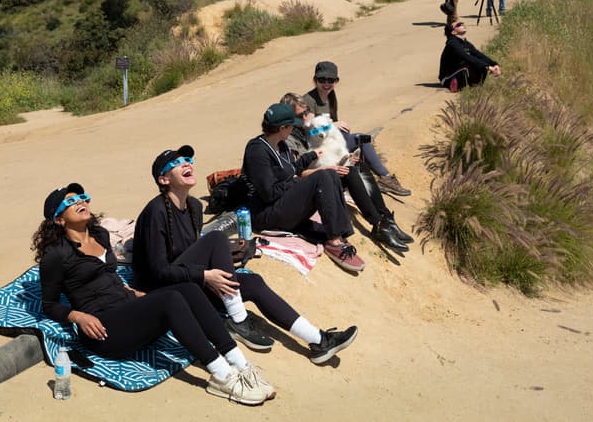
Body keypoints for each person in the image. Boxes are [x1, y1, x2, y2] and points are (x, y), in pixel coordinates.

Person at [35, 183, 275, 405]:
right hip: (104, 330)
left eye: (81, 197)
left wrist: (130, 291)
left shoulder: (100, 234)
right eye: (70, 202)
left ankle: (239, 363)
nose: (80, 202)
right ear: (58, 219)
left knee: (188, 289)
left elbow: (108, 275)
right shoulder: (56, 255)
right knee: (169, 299)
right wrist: (79, 317)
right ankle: (222, 376)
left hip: (127, 310)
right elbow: (49, 304)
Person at [132, 145, 358, 363]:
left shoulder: (194, 207)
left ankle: (318, 340)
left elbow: (190, 253)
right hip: (161, 292)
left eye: (188, 160)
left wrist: (209, 270)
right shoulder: (156, 212)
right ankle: (238, 319)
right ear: (164, 179)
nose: (186, 164)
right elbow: (158, 272)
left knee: (254, 282)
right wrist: (204, 276)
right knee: (215, 238)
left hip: (186, 280)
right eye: (176, 163)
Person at [279, 94, 414, 253]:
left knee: (360, 166)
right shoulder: (290, 139)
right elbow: (297, 174)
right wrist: (329, 169)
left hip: (326, 172)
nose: (307, 116)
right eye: (300, 115)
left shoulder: (308, 129)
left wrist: (343, 158)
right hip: (314, 182)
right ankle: (377, 224)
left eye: (307, 111)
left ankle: (386, 220)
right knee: (350, 172)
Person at [241, 103, 365, 272]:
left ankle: (339, 234)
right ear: (282, 128)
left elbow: (292, 170)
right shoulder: (257, 151)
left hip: (281, 203)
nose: (293, 129)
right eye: (291, 126)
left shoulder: (282, 145)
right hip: (266, 215)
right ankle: (334, 241)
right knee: (321, 177)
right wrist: (298, 182)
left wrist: (311, 157)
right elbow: (268, 193)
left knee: (329, 173)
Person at [301, 61, 412, 197]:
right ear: (315, 80)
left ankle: (384, 178)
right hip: (319, 149)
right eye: (322, 79)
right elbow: (308, 133)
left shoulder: (330, 96)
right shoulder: (308, 101)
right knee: (361, 139)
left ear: (336, 81)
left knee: (362, 139)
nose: (326, 84)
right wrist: (332, 125)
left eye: (331, 80)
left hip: (331, 143)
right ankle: (384, 179)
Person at [438, 21, 502, 92]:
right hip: (447, 77)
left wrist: (494, 64)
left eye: (462, 23)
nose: (463, 25)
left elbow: (479, 55)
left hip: (459, 70)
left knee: (479, 65)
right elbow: (466, 57)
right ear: (454, 32)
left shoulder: (465, 43)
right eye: (459, 25)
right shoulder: (452, 43)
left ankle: (475, 86)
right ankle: (454, 84)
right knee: (469, 67)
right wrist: (488, 67)